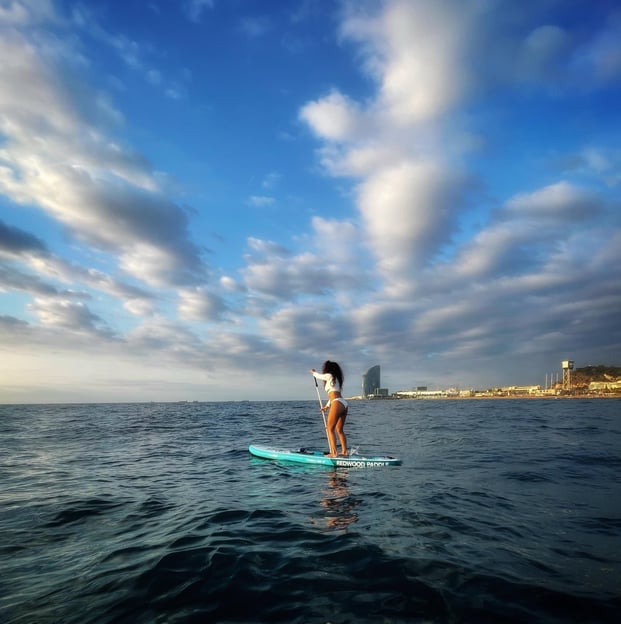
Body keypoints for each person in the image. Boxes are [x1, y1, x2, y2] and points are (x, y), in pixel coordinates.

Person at [310, 361, 348, 457]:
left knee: (330, 429)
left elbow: (319, 376)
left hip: (337, 403)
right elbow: (334, 394)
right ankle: (344, 452)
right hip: (343, 403)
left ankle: (334, 453)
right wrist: (327, 406)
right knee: (339, 430)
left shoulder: (329, 376)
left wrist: (313, 372)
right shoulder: (336, 380)